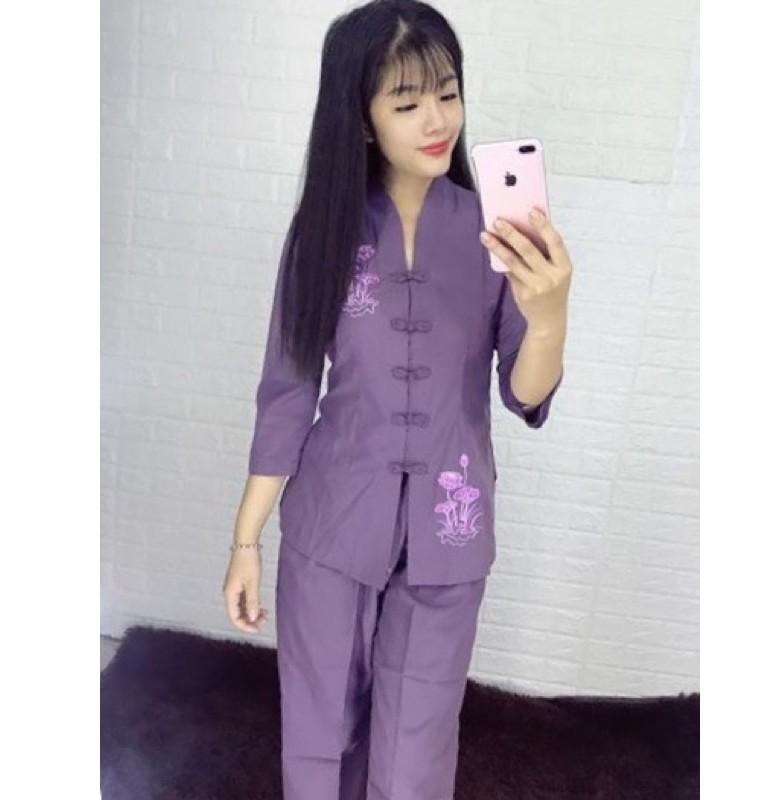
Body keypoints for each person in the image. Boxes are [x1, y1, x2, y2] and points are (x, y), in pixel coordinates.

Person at [222, 1, 572, 797]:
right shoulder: (323, 231)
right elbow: (287, 391)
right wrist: (246, 540)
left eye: (447, 94)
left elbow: (525, 393)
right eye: (408, 103)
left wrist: (550, 316)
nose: (437, 120)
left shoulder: (497, 231)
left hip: (452, 529)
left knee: (417, 752)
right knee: (320, 732)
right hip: (331, 521)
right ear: (361, 116)